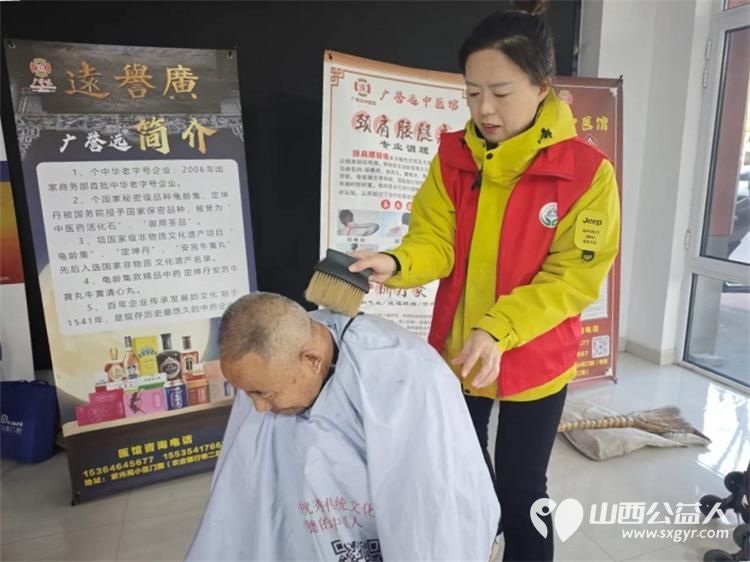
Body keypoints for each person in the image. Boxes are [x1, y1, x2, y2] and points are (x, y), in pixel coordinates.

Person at [348, 3, 621, 561]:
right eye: (472, 93)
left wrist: (499, 329)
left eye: (500, 91)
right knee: (462, 475)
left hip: (535, 357)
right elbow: (435, 240)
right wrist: (396, 263)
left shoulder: (587, 173)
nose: (484, 109)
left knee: (522, 489)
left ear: (542, 86)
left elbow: (571, 278)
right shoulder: (453, 156)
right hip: (461, 352)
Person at [186, 292, 499, 561]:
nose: (258, 409)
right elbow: (241, 510)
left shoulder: (406, 377)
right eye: (248, 393)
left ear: (312, 360)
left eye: (264, 394)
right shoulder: (271, 361)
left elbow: (433, 519)